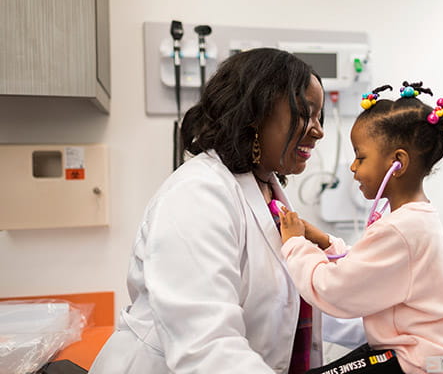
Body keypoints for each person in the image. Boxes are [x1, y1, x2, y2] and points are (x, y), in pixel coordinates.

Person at [89, 48, 348, 373]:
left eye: (319, 117)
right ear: (255, 112)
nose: (318, 130)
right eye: (305, 114)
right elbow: (205, 345)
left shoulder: (269, 196)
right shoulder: (198, 194)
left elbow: (290, 306)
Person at [278, 82, 443, 374]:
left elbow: (334, 291)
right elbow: (371, 266)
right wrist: (326, 243)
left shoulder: (402, 229)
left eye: (360, 157)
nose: (352, 167)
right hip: (430, 353)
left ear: (397, 163)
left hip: (422, 362)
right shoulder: (415, 219)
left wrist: (294, 245)